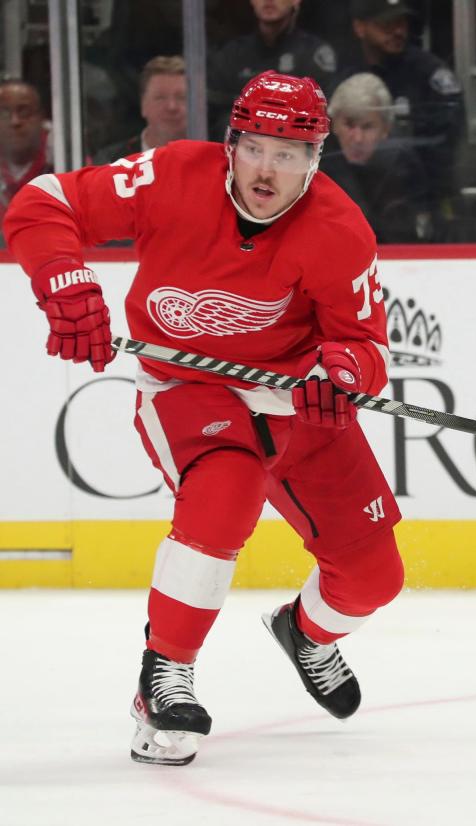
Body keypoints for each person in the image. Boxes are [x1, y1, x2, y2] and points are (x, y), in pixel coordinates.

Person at [3, 71, 402, 766]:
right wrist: (63, 279)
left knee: (374, 579)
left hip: (292, 400)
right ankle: (165, 675)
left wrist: (340, 375)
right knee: (226, 489)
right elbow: (43, 202)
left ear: (315, 160)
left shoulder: (339, 230)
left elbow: (363, 343)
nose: (266, 169)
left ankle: (305, 633)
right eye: (255, 148)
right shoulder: (171, 176)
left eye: (288, 154)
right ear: (229, 145)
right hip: (188, 388)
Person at [338, 0, 463, 198]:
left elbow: (444, 145)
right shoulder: (346, 76)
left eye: (401, 23)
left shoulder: (428, 74)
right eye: (386, 24)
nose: (397, 31)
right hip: (359, 195)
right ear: (360, 28)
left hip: (421, 194)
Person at [324, 72, 435, 243]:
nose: (357, 138)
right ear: (334, 124)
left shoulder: (404, 167)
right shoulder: (316, 166)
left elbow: (418, 233)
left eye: (367, 127)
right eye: (349, 125)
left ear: (386, 129)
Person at [208, 0, 337, 131]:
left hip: (295, 141)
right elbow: (214, 110)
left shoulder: (313, 53)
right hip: (243, 140)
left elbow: (323, 114)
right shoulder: (232, 54)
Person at [92, 56, 188, 165]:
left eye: (181, 97)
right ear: (143, 105)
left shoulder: (210, 159)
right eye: (160, 98)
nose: (172, 107)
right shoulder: (111, 160)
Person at [0, 79, 52, 233]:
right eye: (3, 113)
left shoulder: (68, 164)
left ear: (42, 118)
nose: (15, 121)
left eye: (24, 111)